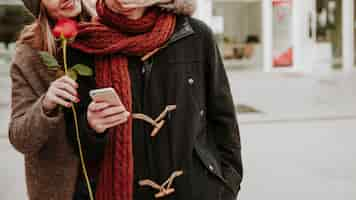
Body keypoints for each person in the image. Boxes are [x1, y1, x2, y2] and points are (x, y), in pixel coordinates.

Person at [8, 0, 196, 199]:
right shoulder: (30, 55)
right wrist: (46, 105)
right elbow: (20, 138)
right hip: (66, 189)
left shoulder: (113, 26)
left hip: (120, 175)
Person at [70, 0, 244, 199]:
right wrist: (90, 126)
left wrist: (226, 189)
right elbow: (73, 143)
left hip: (196, 191)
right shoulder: (85, 45)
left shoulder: (195, 35)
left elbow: (225, 122)